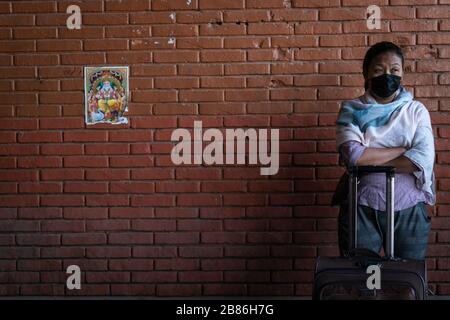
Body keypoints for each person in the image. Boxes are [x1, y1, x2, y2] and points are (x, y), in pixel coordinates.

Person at [334, 41, 436, 260]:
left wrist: (368, 158)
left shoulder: (415, 111)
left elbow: (421, 160)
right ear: (367, 74)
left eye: (394, 70)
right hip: (362, 205)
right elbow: (352, 156)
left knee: (407, 278)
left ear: (402, 74)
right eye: (379, 70)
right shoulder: (352, 110)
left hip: (409, 207)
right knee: (362, 279)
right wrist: (402, 149)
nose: (387, 76)